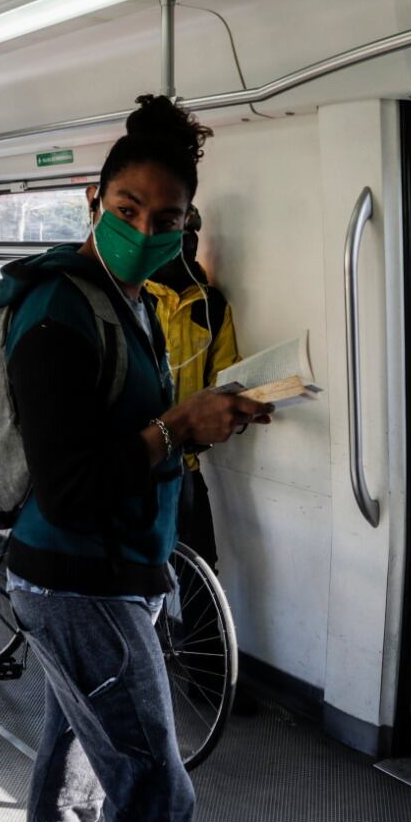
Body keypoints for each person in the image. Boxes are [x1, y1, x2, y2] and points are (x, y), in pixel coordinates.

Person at [0, 95, 271, 822]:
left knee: (77, 750)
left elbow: (127, 434)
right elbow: (72, 486)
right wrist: (176, 428)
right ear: (93, 201)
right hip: (78, 580)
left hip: (115, 567)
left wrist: (204, 422)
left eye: (167, 220)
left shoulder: (131, 301)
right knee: (157, 797)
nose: (145, 230)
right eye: (128, 208)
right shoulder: (57, 314)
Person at [145, 205, 240, 572]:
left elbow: (225, 378)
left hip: (185, 465)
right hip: (138, 463)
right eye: (177, 237)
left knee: (201, 572)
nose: (187, 245)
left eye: (191, 237)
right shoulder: (134, 298)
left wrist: (234, 413)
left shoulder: (211, 305)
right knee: (141, 573)